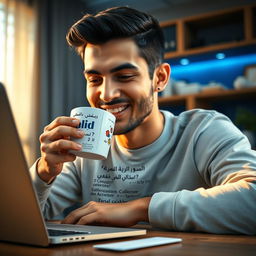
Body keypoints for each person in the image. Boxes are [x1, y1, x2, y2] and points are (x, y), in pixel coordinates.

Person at [30, 6, 256, 234]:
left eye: (125, 76)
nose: (106, 94)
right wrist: (45, 170)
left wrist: (141, 209)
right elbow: (20, 218)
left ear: (160, 78)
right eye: (95, 79)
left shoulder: (203, 131)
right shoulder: (86, 149)